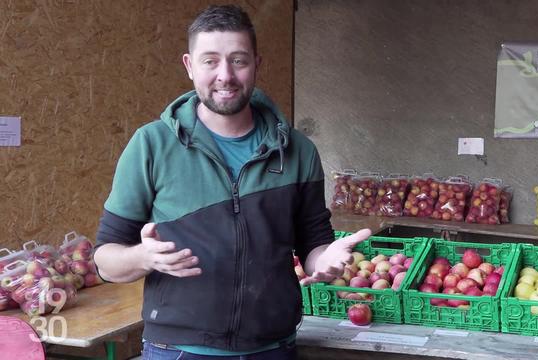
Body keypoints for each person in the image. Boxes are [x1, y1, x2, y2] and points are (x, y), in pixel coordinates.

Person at [93, 4, 371, 360]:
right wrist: (144, 257)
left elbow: (313, 246)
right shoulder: (152, 145)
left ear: (256, 63)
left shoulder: (298, 151)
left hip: (272, 348)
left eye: (238, 60)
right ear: (189, 65)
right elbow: (105, 260)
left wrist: (326, 261)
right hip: (176, 351)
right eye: (210, 61)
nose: (225, 75)